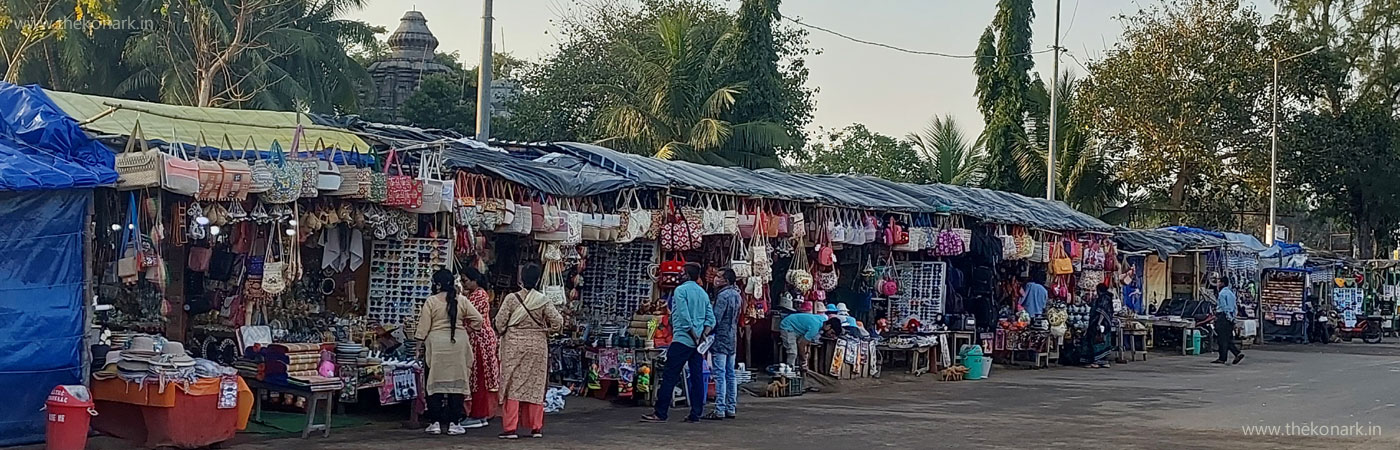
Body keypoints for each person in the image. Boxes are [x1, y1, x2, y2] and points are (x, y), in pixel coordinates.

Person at [496, 263, 564, 439]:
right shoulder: (543, 300)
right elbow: (558, 322)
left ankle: (510, 428)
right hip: (537, 346)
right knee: (535, 386)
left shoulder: (512, 299)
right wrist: (547, 331)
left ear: (521, 279)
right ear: (538, 280)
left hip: (514, 347)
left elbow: (499, 323)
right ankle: (536, 427)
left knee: (513, 386)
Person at [414, 269, 486, 436]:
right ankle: (454, 423)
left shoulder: (431, 301)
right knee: (457, 384)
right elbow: (479, 320)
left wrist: (418, 347)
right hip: (458, 344)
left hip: (437, 345)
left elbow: (423, 328)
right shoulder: (461, 300)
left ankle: (435, 423)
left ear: (437, 284)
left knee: (435, 383)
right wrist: (467, 328)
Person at [643, 263, 715, 423]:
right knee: (696, 377)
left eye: (682, 272)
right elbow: (711, 319)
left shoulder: (680, 291)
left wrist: (694, 336)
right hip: (697, 345)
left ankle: (660, 413)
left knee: (669, 376)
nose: (679, 274)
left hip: (682, 340)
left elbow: (683, 316)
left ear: (688, 275)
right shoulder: (703, 293)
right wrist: (703, 336)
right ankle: (696, 413)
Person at [461, 267, 500, 428]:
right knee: (478, 378)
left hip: (480, 341)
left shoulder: (479, 295)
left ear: (474, 280)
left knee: (479, 378)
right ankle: (480, 413)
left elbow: (468, 316)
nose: (463, 284)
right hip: (478, 340)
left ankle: (478, 413)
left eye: (465, 281)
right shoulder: (473, 295)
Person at [704, 268, 741, 421]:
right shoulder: (737, 295)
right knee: (730, 374)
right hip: (732, 337)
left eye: (719, 277)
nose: (716, 279)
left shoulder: (723, 296)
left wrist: (705, 332)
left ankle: (719, 409)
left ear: (726, 280)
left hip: (720, 337)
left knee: (720, 375)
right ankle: (731, 407)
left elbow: (715, 319)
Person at [1083, 285, 1118, 368]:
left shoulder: (1104, 298)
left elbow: (1102, 311)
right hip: (1105, 324)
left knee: (1098, 341)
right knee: (1103, 341)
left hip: (1101, 323)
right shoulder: (1107, 298)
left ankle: (1098, 361)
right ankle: (1102, 361)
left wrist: (1099, 323)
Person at [1211, 277, 1244, 365]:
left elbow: (1225, 307)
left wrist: (1228, 317)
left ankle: (1224, 357)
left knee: (1222, 338)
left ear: (1222, 283)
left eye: (1218, 282)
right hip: (1230, 317)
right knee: (1227, 338)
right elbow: (1234, 307)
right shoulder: (1231, 293)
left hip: (1223, 317)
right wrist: (1233, 319)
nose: (1217, 284)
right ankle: (1235, 354)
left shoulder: (1222, 294)